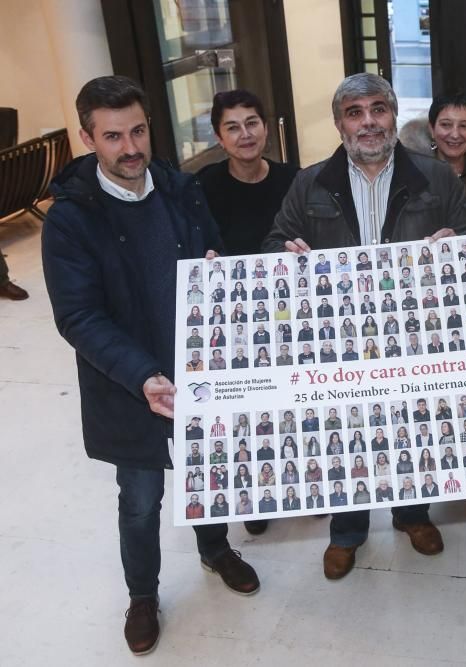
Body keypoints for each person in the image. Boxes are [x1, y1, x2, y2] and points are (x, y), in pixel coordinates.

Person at [42, 76, 259, 655]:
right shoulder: (70, 220)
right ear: (87, 137)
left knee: (209, 475)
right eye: (113, 136)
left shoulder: (180, 189)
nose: (130, 147)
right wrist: (142, 376)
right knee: (140, 499)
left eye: (138, 130)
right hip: (131, 383)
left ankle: (216, 550)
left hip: (199, 372)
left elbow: (212, 253)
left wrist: (218, 269)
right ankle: (143, 595)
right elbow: (79, 317)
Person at [263, 73, 466, 578]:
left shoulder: (435, 176)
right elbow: (275, 241)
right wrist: (285, 253)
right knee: (349, 435)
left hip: (415, 338)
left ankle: (413, 515)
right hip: (342, 343)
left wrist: (460, 242)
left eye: (378, 109)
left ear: (392, 114)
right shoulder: (310, 182)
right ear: (340, 122)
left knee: (411, 427)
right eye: (355, 112)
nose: (368, 122)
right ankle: (347, 532)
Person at [399, 91, 466, 215]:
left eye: (464, 126)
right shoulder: (413, 175)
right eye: (446, 125)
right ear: (432, 129)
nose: (455, 135)